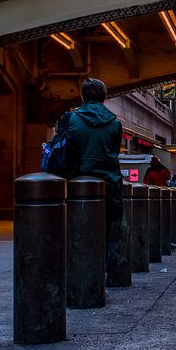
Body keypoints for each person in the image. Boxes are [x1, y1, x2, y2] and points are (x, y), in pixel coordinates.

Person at [63, 78, 126, 286]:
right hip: (108, 185)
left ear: (82, 97)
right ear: (104, 98)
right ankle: (102, 276)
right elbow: (114, 153)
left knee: (75, 231)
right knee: (105, 232)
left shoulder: (70, 119)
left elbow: (64, 151)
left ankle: (78, 276)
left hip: (76, 184)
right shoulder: (116, 123)